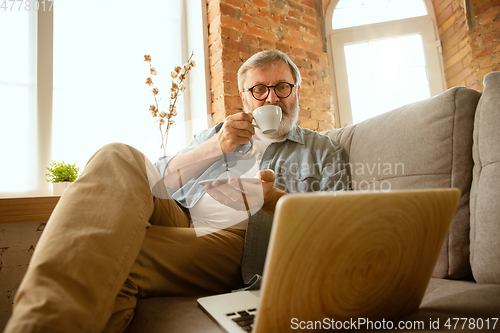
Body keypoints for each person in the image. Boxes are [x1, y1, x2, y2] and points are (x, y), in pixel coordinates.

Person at [5, 50, 349, 333]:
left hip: (240, 240)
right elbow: (161, 182)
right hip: (180, 216)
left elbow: (343, 224)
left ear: (297, 91)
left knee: (103, 253)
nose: (272, 97)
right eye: (259, 89)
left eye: (282, 87)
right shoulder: (218, 133)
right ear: (245, 97)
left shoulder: (322, 149)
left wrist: (272, 201)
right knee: (118, 154)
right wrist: (217, 146)